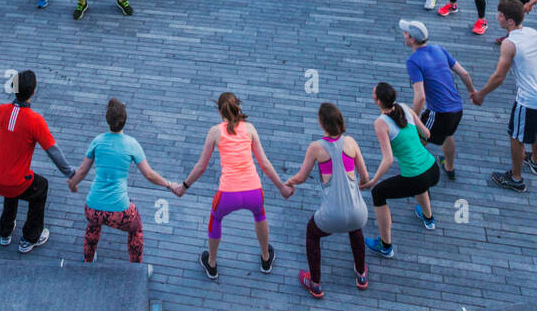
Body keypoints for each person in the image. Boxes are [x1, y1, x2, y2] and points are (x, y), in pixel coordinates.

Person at [174, 91, 291, 280]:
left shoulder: (214, 132)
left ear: (220, 111)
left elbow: (201, 167)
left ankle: (211, 263)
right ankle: (266, 257)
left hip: (228, 194)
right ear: (238, 107)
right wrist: (282, 187)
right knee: (260, 215)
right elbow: (265, 164)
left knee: (216, 218)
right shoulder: (250, 129)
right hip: (254, 191)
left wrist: (184, 186)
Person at [0, 69, 76, 250]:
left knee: (12, 187)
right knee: (41, 187)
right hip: (15, 181)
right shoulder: (34, 120)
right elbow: (53, 151)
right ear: (34, 92)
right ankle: (31, 237)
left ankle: (5, 232)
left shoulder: (2, 110)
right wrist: (71, 172)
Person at [69, 97, 175, 262]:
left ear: (107, 120)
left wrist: (72, 184)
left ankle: (88, 259)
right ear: (125, 120)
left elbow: (82, 171)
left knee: (93, 225)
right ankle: (135, 265)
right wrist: (169, 184)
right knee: (136, 228)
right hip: (119, 211)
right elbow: (149, 174)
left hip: (93, 208)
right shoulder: (132, 144)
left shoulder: (97, 141)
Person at [285, 101, 370, 299]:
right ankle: (361, 274)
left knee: (312, 234)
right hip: (358, 213)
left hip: (331, 216)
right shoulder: (351, 142)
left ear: (322, 123)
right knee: (355, 228)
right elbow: (365, 177)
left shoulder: (316, 147)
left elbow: (302, 177)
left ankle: (315, 283)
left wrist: (289, 182)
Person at [470, 0, 537, 191]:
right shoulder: (534, 33)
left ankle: (516, 179)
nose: (497, 18)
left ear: (509, 21)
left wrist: (481, 94)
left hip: (528, 100)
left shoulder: (509, 43)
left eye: (500, 16)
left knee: (516, 138)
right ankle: (536, 161)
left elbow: (499, 76)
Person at [363, 81, 440, 258]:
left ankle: (385, 246)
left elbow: (388, 159)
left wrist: (373, 181)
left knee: (378, 193)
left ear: (379, 101)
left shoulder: (381, 123)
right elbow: (427, 134)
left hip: (416, 177)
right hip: (433, 169)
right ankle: (428, 219)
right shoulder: (405, 108)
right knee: (417, 185)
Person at [400, 19, 475, 181]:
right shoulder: (439, 50)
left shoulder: (413, 61)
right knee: (447, 135)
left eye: (405, 33)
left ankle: (417, 179)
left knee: (417, 143)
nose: (403, 35)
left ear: (412, 39)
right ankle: (449, 167)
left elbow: (420, 97)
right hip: (457, 109)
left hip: (439, 113)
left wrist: (413, 118)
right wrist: (472, 91)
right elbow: (464, 74)